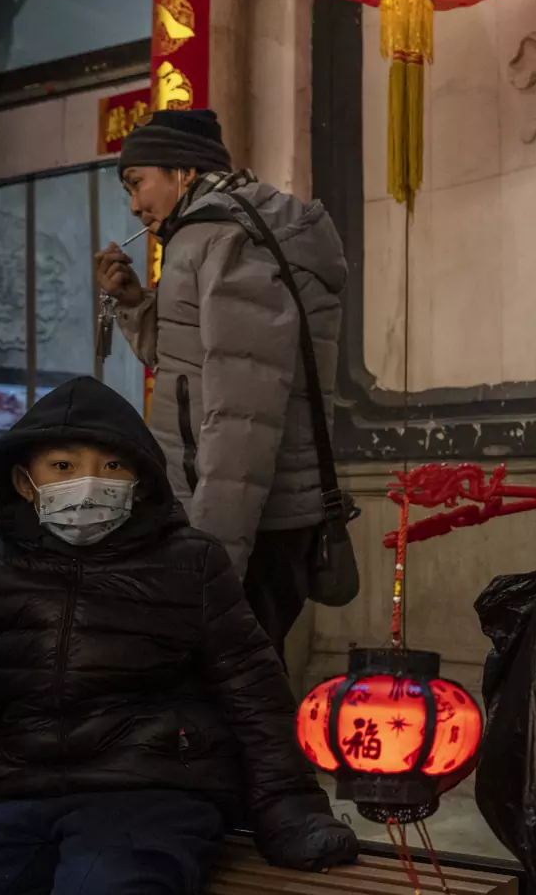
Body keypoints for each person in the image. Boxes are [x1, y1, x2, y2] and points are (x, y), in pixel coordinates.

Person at [0, 376, 357, 895]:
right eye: (63, 466)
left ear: (140, 480)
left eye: (113, 466)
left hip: (154, 789)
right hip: (15, 792)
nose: (89, 483)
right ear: (24, 482)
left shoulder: (190, 563)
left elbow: (255, 692)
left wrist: (292, 813)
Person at [94, 110, 347, 650]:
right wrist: (136, 304)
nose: (135, 204)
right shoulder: (222, 232)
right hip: (252, 513)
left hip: (245, 520)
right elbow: (196, 367)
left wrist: (213, 562)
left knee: (234, 684)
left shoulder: (224, 238)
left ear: (184, 171)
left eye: (137, 182)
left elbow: (241, 412)